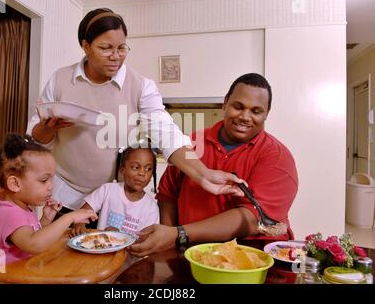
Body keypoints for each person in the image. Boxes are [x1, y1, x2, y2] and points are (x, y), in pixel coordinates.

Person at [26, 7, 243, 214]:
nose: (116, 56)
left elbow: (166, 133)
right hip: (62, 195)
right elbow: (34, 139)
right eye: (105, 48)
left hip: (113, 198)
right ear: (86, 46)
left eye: (121, 48)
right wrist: (46, 130)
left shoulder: (141, 86)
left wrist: (203, 175)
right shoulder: (60, 79)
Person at [128, 73, 299, 257]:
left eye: (256, 111)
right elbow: (167, 195)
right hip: (190, 253)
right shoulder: (192, 143)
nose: (245, 117)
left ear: (266, 113)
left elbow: (253, 219)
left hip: (252, 258)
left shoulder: (277, 157)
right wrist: (169, 245)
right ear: (225, 103)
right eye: (238, 106)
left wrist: (179, 234)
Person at [0, 133, 97, 273]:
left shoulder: (22, 208)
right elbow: (33, 244)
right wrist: (69, 217)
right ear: (15, 184)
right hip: (3, 280)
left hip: (24, 274)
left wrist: (45, 219)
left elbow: (31, 235)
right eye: (43, 180)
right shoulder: (9, 213)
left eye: (51, 179)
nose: (51, 186)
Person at [72, 142, 159, 237]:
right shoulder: (107, 190)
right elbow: (82, 213)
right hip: (100, 248)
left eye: (148, 169)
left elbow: (149, 240)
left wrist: (120, 236)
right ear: (122, 170)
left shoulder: (151, 208)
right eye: (135, 167)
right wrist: (79, 225)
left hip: (131, 252)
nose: (142, 173)